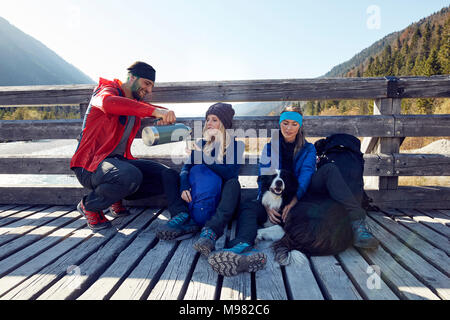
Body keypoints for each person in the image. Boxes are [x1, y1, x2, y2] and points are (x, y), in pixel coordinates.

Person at [208, 105, 378, 276]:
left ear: (300, 126)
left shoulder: (308, 149)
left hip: (303, 193)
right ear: (280, 124)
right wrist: (265, 205)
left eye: (294, 124)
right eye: (285, 123)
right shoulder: (270, 147)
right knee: (248, 206)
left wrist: (295, 200)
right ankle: (242, 243)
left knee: (329, 170)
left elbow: (306, 175)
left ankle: (357, 222)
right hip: (275, 195)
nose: (288, 128)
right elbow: (264, 175)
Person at [70, 61, 176, 231]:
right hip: (89, 166)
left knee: (167, 175)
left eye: (152, 86)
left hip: (118, 162)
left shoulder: (133, 103)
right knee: (129, 175)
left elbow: (144, 108)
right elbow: (108, 103)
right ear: (131, 77)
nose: (149, 90)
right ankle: (89, 205)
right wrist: (155, 112)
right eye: (146, 83)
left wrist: (164, 113)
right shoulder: (105, 91)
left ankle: (114, 198)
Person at [157, 103, 244, 257]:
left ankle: (211, 231)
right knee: (168, 174)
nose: (209, 123)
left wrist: (203, 157)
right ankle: (182, 215)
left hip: (217, 201)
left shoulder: (236, 146)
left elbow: (230, 173)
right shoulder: (201, 143)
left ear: (224, 124)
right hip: (193, 197)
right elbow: (185, 168)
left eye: (214, 120)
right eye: (207, 119)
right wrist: (184, 186)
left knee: (234, 185)